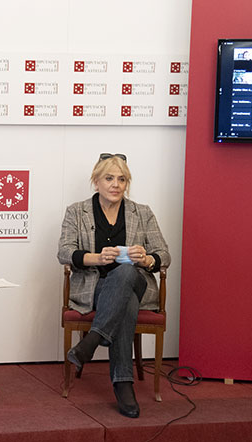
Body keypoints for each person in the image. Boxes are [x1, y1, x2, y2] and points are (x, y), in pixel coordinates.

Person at [57, 153, 170, 418]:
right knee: (125, 302)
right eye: (109, 178)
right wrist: (95, 258)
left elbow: (164, 255)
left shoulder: (142, 212)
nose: (115, 185)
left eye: (121, 179)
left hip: (138, 282)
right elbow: (64, 252)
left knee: (127, 271)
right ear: (96, 181)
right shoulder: (77, 211)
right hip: (95, 287)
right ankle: (122, 383)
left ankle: (94, 339)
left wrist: (146, 259)